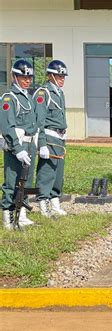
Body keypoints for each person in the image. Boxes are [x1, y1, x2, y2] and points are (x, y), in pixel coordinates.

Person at [0, 59, 38, 229]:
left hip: (29, 145)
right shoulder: (9, 98)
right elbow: (8, 127)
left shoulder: (29, 97)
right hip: (16, 147)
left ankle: (21, 214)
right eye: (23, 77)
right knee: (11, 182)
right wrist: (18, 149)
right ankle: (7, 217)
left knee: (26, 182)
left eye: (29, 77)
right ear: (15, 76)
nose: (27, 80)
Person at [34, 60, 69, 217]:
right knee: (47, 172)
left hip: (59, 137)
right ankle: (43, 203)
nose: (61, 79)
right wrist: (41, 144)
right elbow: (39, 121)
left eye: (63, 76)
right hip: (48, 137)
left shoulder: (59, 93)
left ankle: (55, 201)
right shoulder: (44, 93)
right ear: (50, 76)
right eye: (58, 75)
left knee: (58, 173)